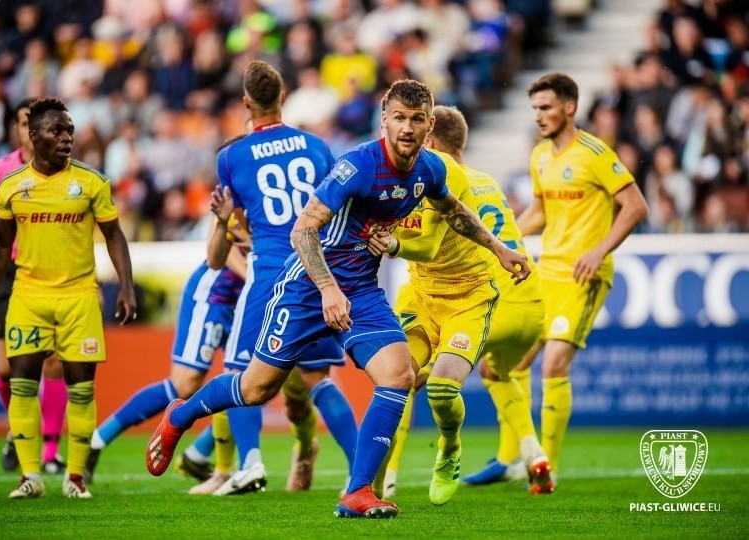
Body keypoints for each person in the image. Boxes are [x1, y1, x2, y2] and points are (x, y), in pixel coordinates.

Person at [145, 79, 530, 519]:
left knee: (398, 375)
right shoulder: (358, 166)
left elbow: (455, 212)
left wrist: (499, 249)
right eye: (399, 118)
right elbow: (303, 230)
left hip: (362, 290)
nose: (407, 128)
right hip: (307, 286)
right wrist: (328, 288)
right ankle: (181, 415)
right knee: (256, 389)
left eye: (417, 119)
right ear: (384, 119)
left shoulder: (431, 170)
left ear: (430, 124)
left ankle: (358, 492)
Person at [186, 60, 358, 496]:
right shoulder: (317, 145)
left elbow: (233, 231)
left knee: (241, 370)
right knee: (318, 381)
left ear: (245, 103)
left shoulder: (231, 157)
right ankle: (363, 473)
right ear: (283, 98)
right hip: (319, 270)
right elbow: (338, 203)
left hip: (270, 273)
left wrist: (231, 223)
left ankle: (251, 464)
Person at [373, 106, 551, 500]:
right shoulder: (485, 180)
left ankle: (398, 472)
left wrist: (393, 243)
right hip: (529, 296)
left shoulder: (440, 177)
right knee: (494, 372)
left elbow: (429, 239)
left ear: (429, 138)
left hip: (481, 294)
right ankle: (527, 454)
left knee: (418, 384)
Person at [0, 97, 137, 499]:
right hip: (28, 295)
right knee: (22, 384)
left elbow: (114, 235)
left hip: (80, 295)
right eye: (57, 131)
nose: (66, 138)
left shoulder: (92, 182)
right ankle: (30, 476)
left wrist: (127, 287)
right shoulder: (10, 186)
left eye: (70, 131)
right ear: (33, 137)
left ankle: (75, 477)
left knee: (81, 390)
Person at [513, 73, 648, 485]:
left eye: (546, 107)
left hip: (583, 274)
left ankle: (544, 470)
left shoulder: (593, 151)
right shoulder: (539, 156)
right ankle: (517, 453)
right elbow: (539, 212)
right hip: (546, 271)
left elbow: (635, 205)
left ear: (569, 107)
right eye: (535, 108)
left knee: (554, 361)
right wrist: (505, 240)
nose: (539, 116)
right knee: (513, 362)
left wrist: (599, 249)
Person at [83, 229, 247, 486]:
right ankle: (97, 441)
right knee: (183, 385)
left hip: (247, 302)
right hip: (214, 298)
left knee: (250, 382)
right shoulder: (242, 194)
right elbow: (222, 241)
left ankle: (199, 454)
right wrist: (256, 277)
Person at [0, 98, 69, 475]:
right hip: (9, 272)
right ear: (17, 129)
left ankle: (51, 450)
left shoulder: (64, 169)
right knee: (6, 367)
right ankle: (18, 427)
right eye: (26, 121)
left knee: (54, 360)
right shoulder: (0, 171)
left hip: (52, 269)